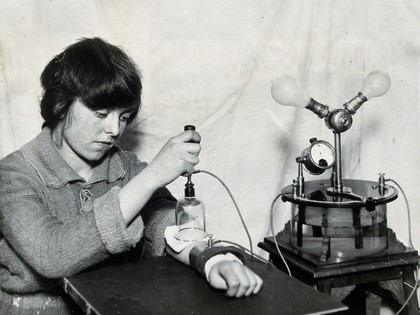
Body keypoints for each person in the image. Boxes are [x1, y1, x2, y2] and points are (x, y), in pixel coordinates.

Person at [0, 37, 262, 314]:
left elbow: (166, 222)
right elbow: (50, 254)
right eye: (101, 114)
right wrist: (151, 178)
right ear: (60, 106)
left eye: (123, 117)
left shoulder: (126, 166)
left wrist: (211, 259)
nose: (114, 130)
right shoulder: (13, 175)